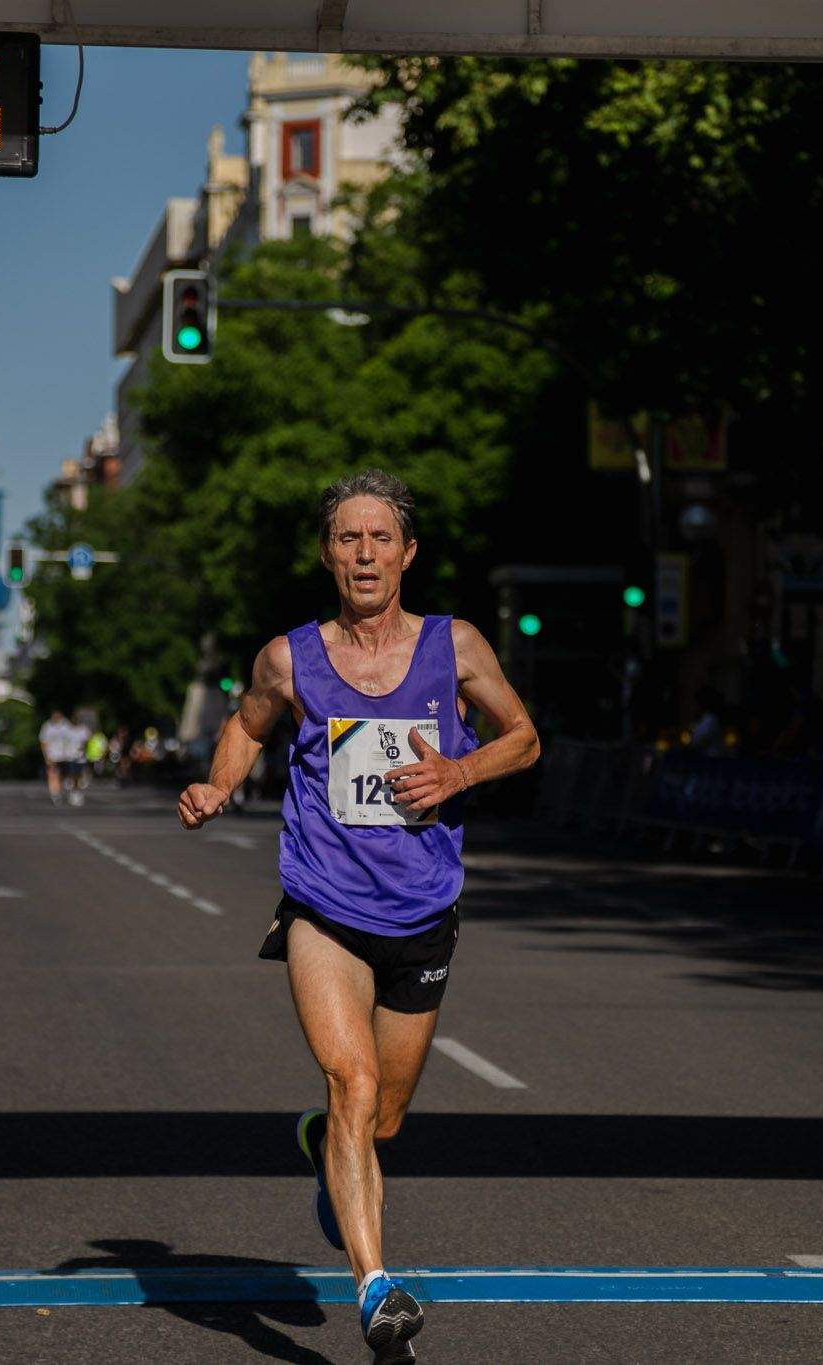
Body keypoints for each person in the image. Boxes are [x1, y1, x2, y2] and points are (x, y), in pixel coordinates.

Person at [177, 471, 540, 1365]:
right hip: (324, 905)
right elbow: (247, 724)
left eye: (380, 538)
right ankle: (376, 1288)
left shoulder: (453, 647)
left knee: (384, 1118)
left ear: (407, 554)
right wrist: (218, 785)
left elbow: (525, 736)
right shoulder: (288, 658)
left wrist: (459, 771)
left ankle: (326, 1154)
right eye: (348, 538)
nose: (365, 554)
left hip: (422, 909)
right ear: (327, 553)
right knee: (354, 1083)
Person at [40, 709, 69, 806]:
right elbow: (43, 742)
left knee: (61, 776)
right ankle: (55, 794)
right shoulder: (47, 726)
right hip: (52, 755)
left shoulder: (66, 725)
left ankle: (59, 791)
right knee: (53, 775)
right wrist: (46, 756)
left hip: (64, 756)